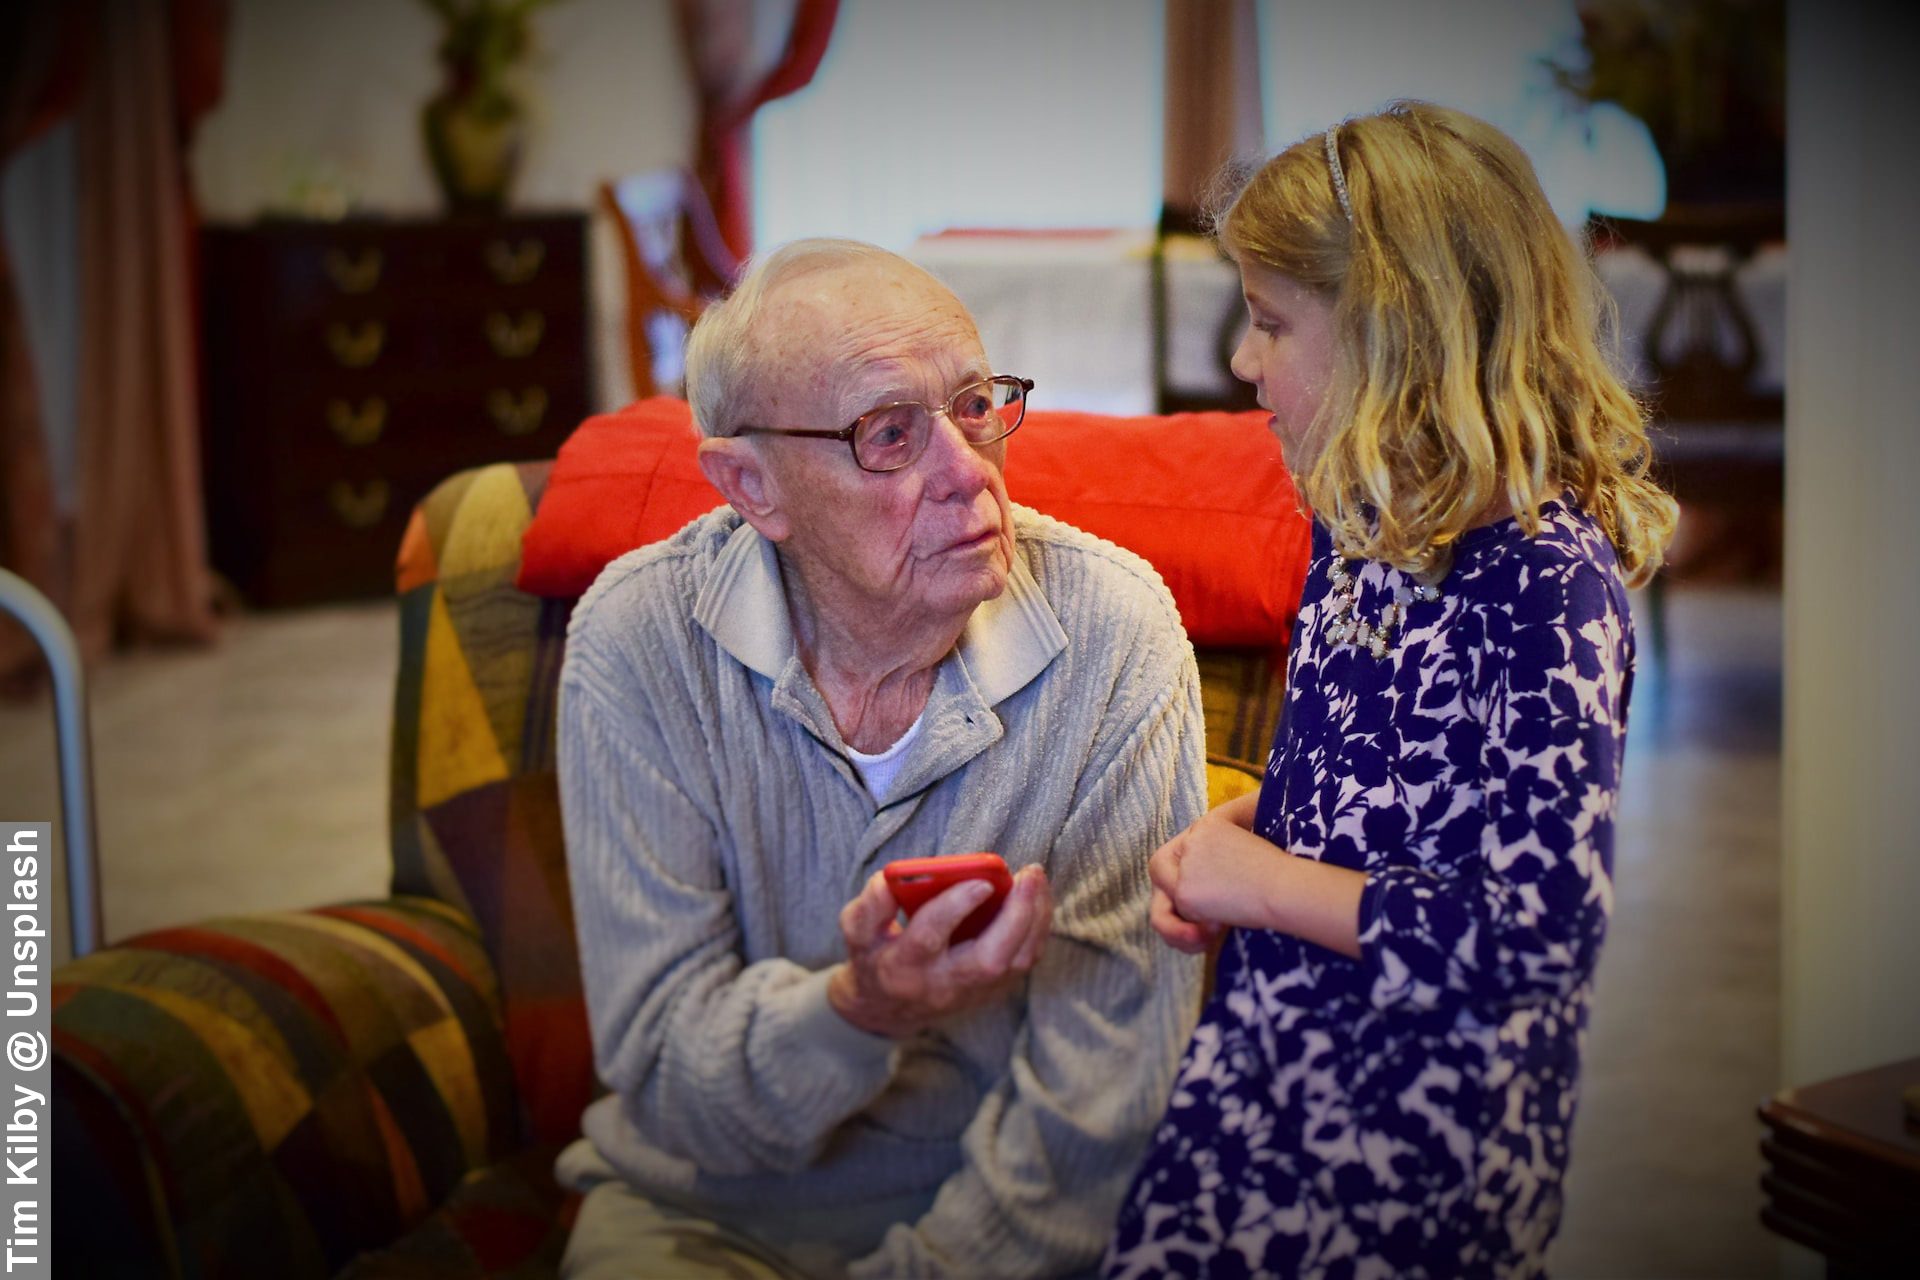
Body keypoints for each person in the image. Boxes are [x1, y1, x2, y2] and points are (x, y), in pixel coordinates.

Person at [555, 238, 1208, 1279]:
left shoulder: (1115, 633)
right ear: (752, 486)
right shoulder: (638, 637)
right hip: (700, 1216)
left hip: (999, 1230)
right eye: (890, 433)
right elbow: (668, 1074)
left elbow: (1104, 1101)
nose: (967, 470)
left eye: (977, 406)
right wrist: (860, 1011)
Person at [1104, 102, 1678, 1279]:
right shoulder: (1353, 525)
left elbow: (1531, 946)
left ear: (1394, 336)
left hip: (1418, 1148)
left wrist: (1264, 887)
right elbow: (1356, 797)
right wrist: (1244, 829)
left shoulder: (1546, 592)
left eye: (1269, 323)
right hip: (1260, 1075)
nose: (1239, 361)